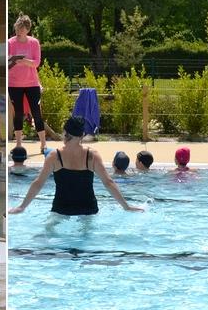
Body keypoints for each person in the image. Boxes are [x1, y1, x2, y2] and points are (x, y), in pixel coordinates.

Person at [8, 116, 143, 224]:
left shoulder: (54, 156)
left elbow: (38, 183)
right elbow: (108, 182)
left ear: (65, 133)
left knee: (48, 235)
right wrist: (126, 206)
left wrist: (22, 207)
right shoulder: (92, 155)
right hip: (88, 208)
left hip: (62, 208)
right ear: (82, 135)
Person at [8, 13, 46, 153]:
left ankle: (43, 144)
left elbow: (36, 62)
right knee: (17, 113)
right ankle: (18, 144)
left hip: (32, 83)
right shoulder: (10, 42)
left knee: (36, 113)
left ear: (27, 30)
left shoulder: (34, 42)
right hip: (14, 84)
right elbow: (6, 62)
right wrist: (11, 60)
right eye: (17, 28)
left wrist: (24, 61)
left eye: (21, 29)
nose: (18, 31)